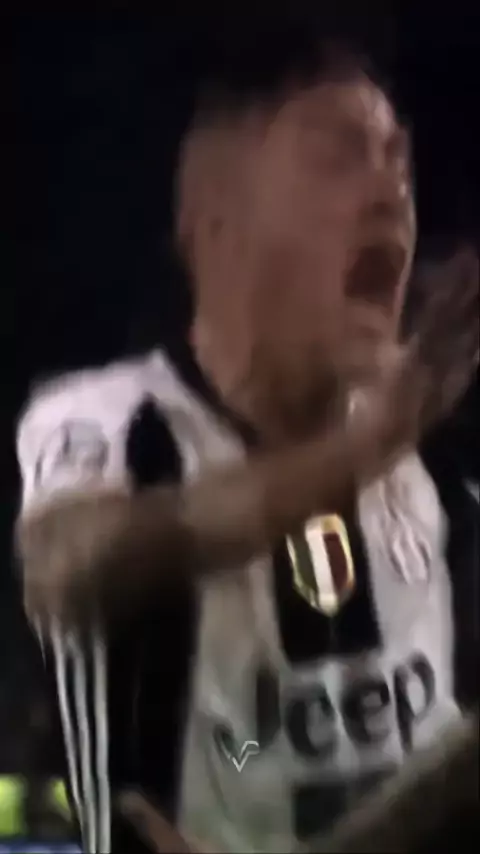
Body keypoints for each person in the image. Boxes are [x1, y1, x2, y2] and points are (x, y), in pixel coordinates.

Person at [15, 46, 478, 853]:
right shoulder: (120, 422)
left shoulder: (434, 458)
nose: (391, 193)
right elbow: (68, 571)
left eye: (398, 161)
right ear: (218, 230)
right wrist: (365, 448)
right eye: (338, 156)